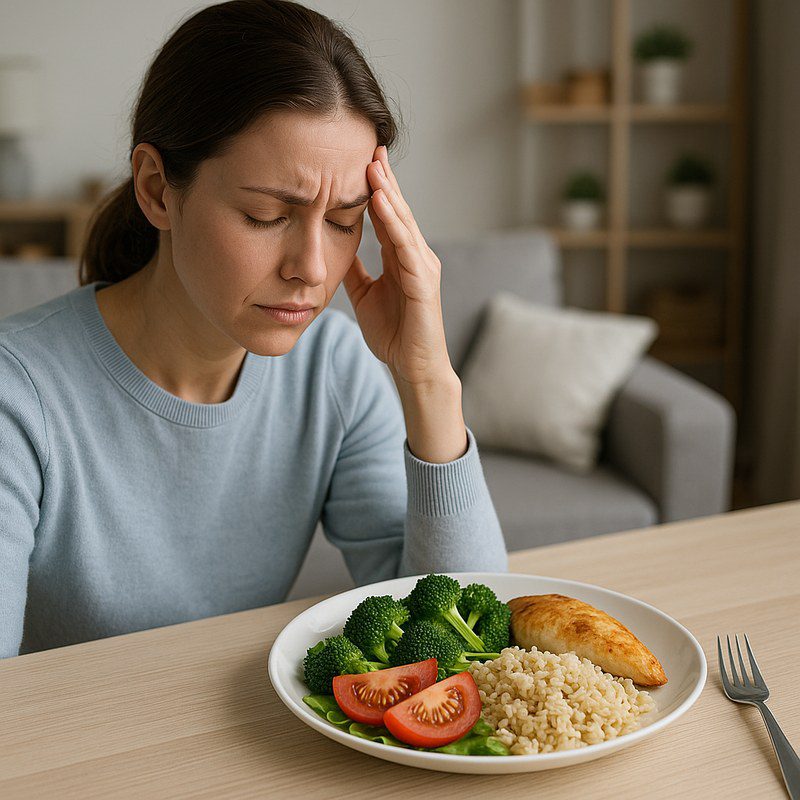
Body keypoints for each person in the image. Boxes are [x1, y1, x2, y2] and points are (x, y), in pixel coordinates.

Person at [0, 0, 507, 660]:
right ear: (157, 190)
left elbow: (457, 647)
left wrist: (429, 380)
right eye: (268, 215)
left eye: (344, 221)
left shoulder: (333, 369)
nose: (312, 269)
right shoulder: (19, 398)